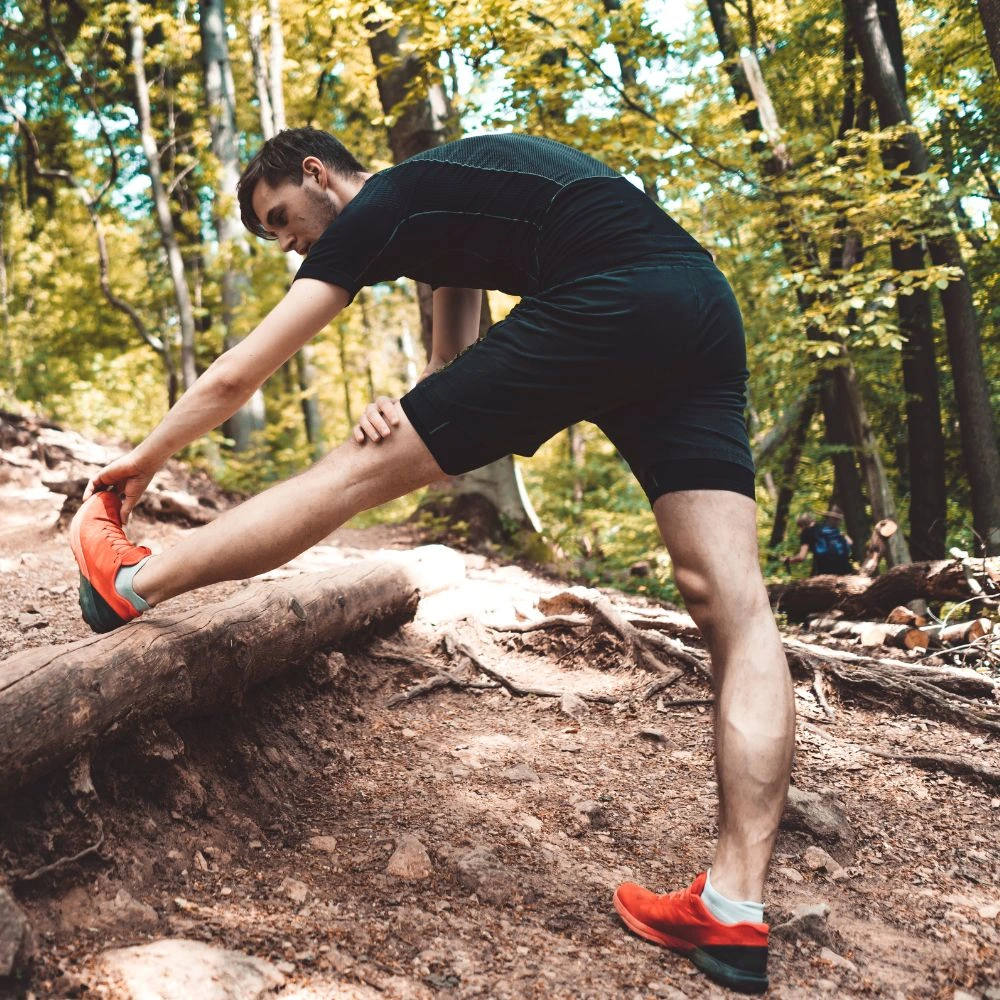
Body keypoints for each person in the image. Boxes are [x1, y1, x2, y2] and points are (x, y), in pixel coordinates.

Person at [70, 128, 793, 994]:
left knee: (352, 474)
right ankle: (736, 908)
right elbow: (455, 369)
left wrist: (142, 460)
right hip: (695, 302)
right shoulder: (450, 207)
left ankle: (132, 578)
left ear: (316, 175)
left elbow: (239, 377)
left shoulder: (383, 201)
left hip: (609, 294)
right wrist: (410, 401)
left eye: (282, 218)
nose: (289, 242)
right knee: (735, 604)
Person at [787, 506, 854, 576]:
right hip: (846, 570)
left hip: (827, 572)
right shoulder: (825, 528)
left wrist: (789, 560)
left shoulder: (806, 533)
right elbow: (850, 542)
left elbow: (801, 557)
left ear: (802, 525)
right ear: (813, 520)